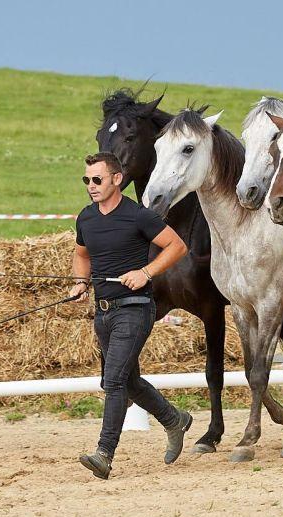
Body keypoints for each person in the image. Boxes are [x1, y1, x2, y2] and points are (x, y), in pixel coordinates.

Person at [70, 152, 191, 480]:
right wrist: (81, 282)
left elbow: (177, 246)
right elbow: (81, 255)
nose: (91, 186)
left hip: (135, 308)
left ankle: (104, 454)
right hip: (103, 312)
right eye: (87, 180)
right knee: (129, 381)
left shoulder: (138, 215)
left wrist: (146, 272)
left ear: (116, 179)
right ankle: (174, 420)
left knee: (113, 381)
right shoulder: (86, 218)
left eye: (97, 179)